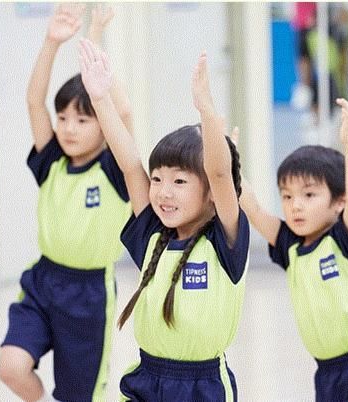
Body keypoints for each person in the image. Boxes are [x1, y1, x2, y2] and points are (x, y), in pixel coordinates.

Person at [79, 39, 249, 401]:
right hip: (146, 379)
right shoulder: (153, 236)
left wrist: (206, 110)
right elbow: (130, 164)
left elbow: (220, 174)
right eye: (157, 179)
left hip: (202, 388)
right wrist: (100, 99)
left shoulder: (225, 241)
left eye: (179, 182)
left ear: (210, 194)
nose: (163, 192)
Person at [0, 5, 132, 402]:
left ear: (103, 127)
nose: (69, 128)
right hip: (44, 281)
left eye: (82, 120)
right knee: (11, 366)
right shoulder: (52, 161)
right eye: (63, 118)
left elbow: (123, 111)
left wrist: (96, 35)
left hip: (89, 295)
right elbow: (34, 101)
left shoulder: (113, 168)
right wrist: (52, 42)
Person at [238, 98, 348, 401]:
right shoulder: (290, 246)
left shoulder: (343, 238)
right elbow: (255, 210)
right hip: (326, 372)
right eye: (287, 197)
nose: (295, 206)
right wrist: (231, 169)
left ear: (338, 201)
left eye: (308, 195)